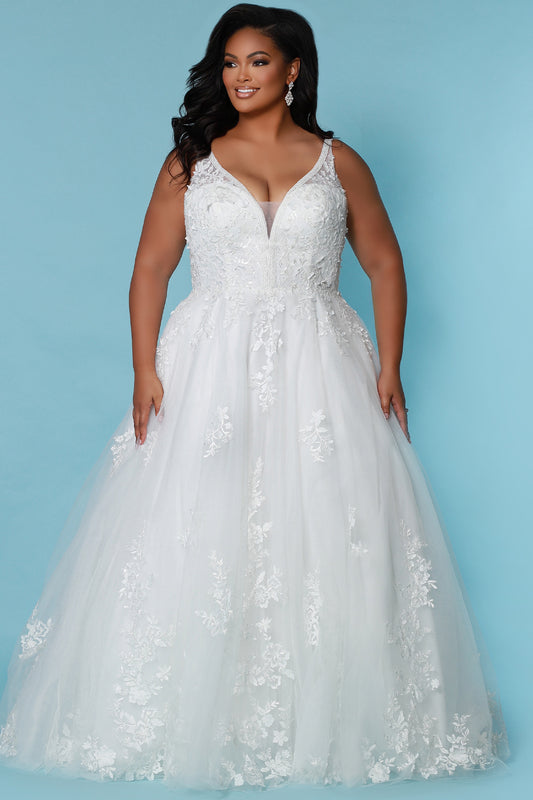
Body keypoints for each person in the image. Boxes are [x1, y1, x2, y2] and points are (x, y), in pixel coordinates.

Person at [0, 2, 510, 791]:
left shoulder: (337, 163)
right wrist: (142, 369)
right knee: (202, 519)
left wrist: (389, 366)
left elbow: (383, 262)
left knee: (328, 520)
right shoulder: (190, 162)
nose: (240, 76)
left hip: (321, 359)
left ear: (293, 70)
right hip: (207, 359)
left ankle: (327, 712)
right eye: (229, 62)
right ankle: (202, 712)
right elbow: (149, 268)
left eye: (258, 61)